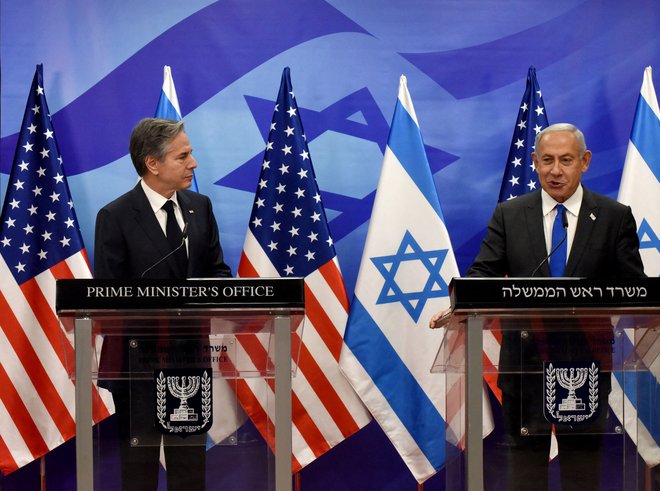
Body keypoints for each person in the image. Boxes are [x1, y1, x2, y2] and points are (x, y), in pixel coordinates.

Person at [431, 123, 645, 490]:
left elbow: (634, 289)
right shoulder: (510, 214)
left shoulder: (613, 217)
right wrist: (461, 306)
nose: (555, 170)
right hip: (525, 364)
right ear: (534, 162)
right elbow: (484, 272)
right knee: (525, 475)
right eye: (546, 160)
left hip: (586, 367)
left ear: (585, 162)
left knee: (582, 473)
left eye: (565, 160)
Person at [94, 118, 232, 490]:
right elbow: (107, 297)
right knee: (138, 474)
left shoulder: (199, 207)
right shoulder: (116, 216)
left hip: (188, 360)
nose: (194, 163)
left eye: (191, 154)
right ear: (152, 163)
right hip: (135, 364)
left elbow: (218, 272)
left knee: (189, 472)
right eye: (183, 156)